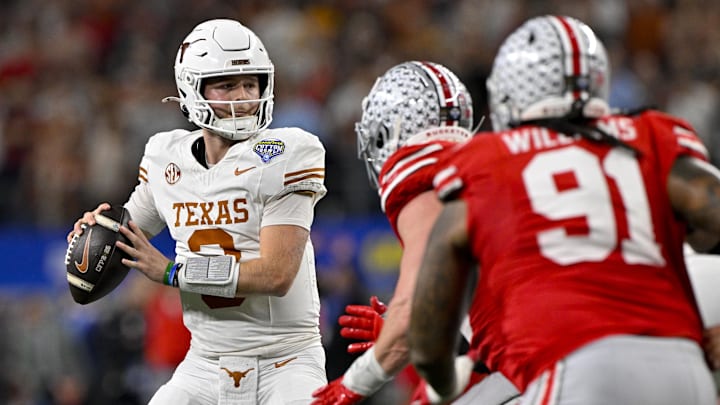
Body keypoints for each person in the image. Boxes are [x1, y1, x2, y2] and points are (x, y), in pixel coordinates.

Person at [407, 15, 719, 405]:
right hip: (682, 367)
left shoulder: (488, 161)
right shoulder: (648, 137)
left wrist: (443, 381)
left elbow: (428, 336)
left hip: (578, 365)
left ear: (507, 95)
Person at [67, 18, 328, 404]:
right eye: (226, 85)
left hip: (285, 362)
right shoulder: (166, 158)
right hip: (204, 363)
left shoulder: (286, 154)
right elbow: (125, 237)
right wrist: (97, 230)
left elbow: (276, 274)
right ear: (192, 88)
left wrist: (173, 272)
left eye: (250, 84)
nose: (242, 96)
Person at [311, 61, 519, 404]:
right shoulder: (495, 160)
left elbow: (411, 313)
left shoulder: (425, 176)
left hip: (540, 361)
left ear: (387, 132)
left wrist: (353, 382)